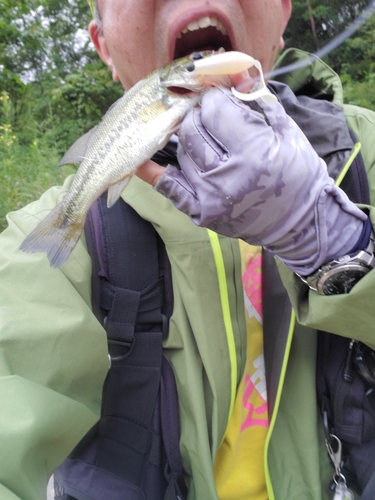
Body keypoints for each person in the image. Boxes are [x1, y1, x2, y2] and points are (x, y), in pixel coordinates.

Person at [1, 0, 375, 499]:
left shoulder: (365, 154)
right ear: (104, 47)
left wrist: (341, 243)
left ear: (283, 12)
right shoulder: (43, 253)